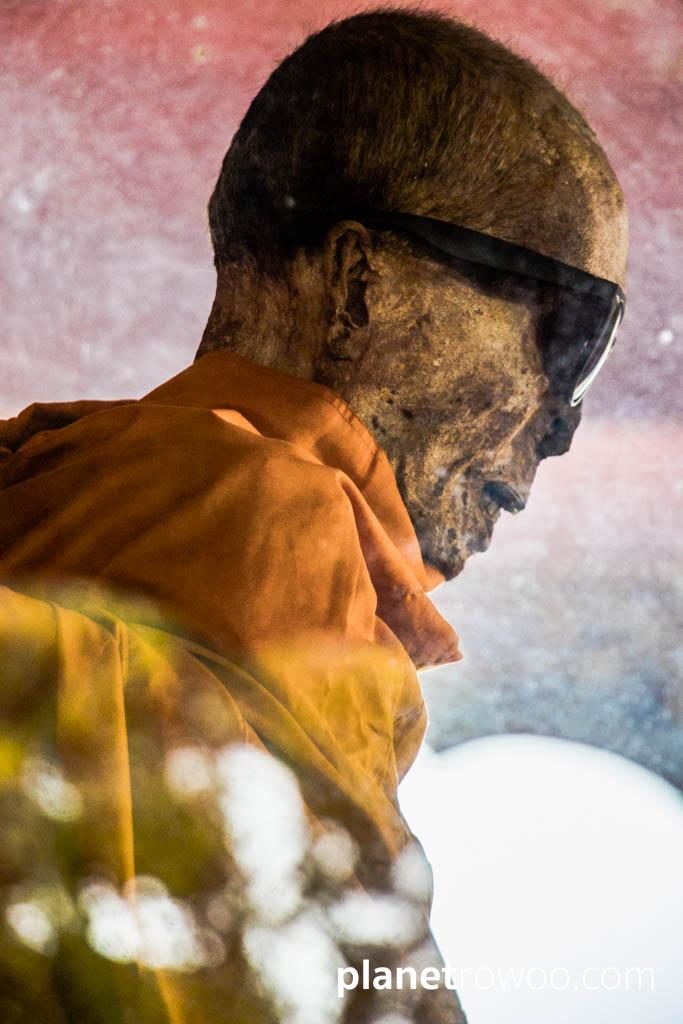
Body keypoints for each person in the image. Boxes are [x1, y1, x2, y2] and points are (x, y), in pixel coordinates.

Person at [0, 9, 627, 1023]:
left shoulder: (65, 482)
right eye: (566, 337)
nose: (556, 427)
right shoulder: (268, 521)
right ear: (358, 285)